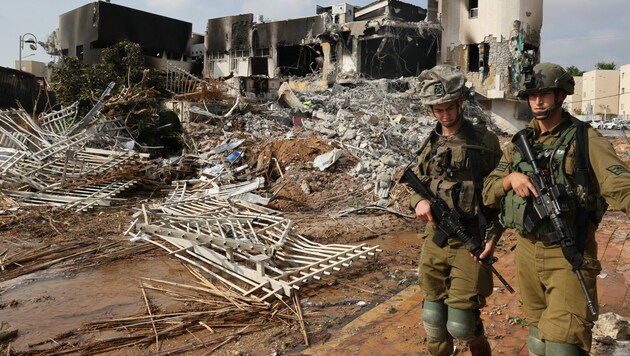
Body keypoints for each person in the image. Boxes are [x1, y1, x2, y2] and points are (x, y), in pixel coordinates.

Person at [482, 62, 630, 355]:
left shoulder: (585, 139)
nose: (537, 101)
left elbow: (620, 185)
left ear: (562, 96)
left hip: (569, 252)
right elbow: (489, 191)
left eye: (546, 94)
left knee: (564, 347)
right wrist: (511, 179)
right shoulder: (519, 143)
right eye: (533, 95)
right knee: (539, 340)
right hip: (526, 253)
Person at [411, 64, 503, 356]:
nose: (445, 115)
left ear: (461, 102)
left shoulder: (484, 142)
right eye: (438, 110)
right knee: (433, 320)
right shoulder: (430, 143)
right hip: (434, 239)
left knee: (462, 325)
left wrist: (493, 236)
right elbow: (413, 185)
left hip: (470, 241)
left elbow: (500, 192)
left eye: (449, 107)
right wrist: (419, 202)